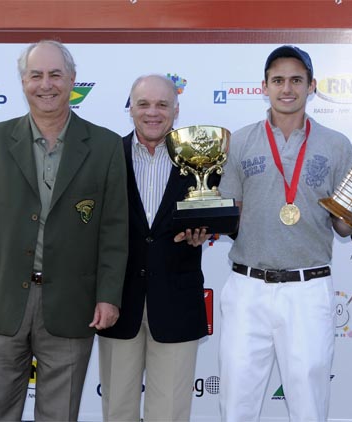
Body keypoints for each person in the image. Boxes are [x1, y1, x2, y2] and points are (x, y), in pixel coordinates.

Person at [0, 40, 129, 421]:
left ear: (72, 80)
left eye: (55, 75)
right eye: (36, 75)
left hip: (72, 304)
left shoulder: (106, 146)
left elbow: (115, 230)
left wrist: (109, 295)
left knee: (59, 414)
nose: (45, 84)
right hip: (1, 302)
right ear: (23, 82)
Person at [218, 45, 352, 422]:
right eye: (278, 80)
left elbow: (343, 226)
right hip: (248, 287)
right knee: (236, 402)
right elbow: (232, 216)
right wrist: (201, 223)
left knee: (309, 403)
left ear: (312, 86)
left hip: (308, 288)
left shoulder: (336, 144)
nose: (287, 88)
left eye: (296, 80)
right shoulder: (240, 141)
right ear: (264, 86)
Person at [97, 74, 211, 422]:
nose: (152, 112)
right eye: (143, 104)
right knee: (117, 410)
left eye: (162, 104)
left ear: (176, 111)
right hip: (118, 302)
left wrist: (203, 231)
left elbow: (213, 215)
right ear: (130, 108)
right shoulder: (106, 156)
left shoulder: (200, 162)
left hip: (176, 302)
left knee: (171, 414)